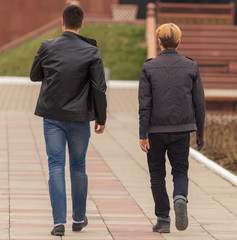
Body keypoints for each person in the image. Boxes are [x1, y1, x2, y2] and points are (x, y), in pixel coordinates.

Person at [30, 4, 107, 236]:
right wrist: (101, 118)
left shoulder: (47, 46)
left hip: (52, 116)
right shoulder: (91, 51)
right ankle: (79, 218)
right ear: (81, 24)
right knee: (78, 166)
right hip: (79, 118)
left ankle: (58, 223)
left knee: (55, 166)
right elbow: (99, 88)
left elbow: (34, 75)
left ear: (61, 22)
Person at [138, 23, 205, 233]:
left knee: (157, 175)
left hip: (156, 130)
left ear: (159, 42)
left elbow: (144, 104)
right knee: (180, 171)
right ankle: (180, 197)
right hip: (182, 129)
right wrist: (200, 133)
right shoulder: (191, 66)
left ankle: (163, 219)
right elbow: (199, 103)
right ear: (179, 41)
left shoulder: (149, 67)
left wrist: (143, 134)